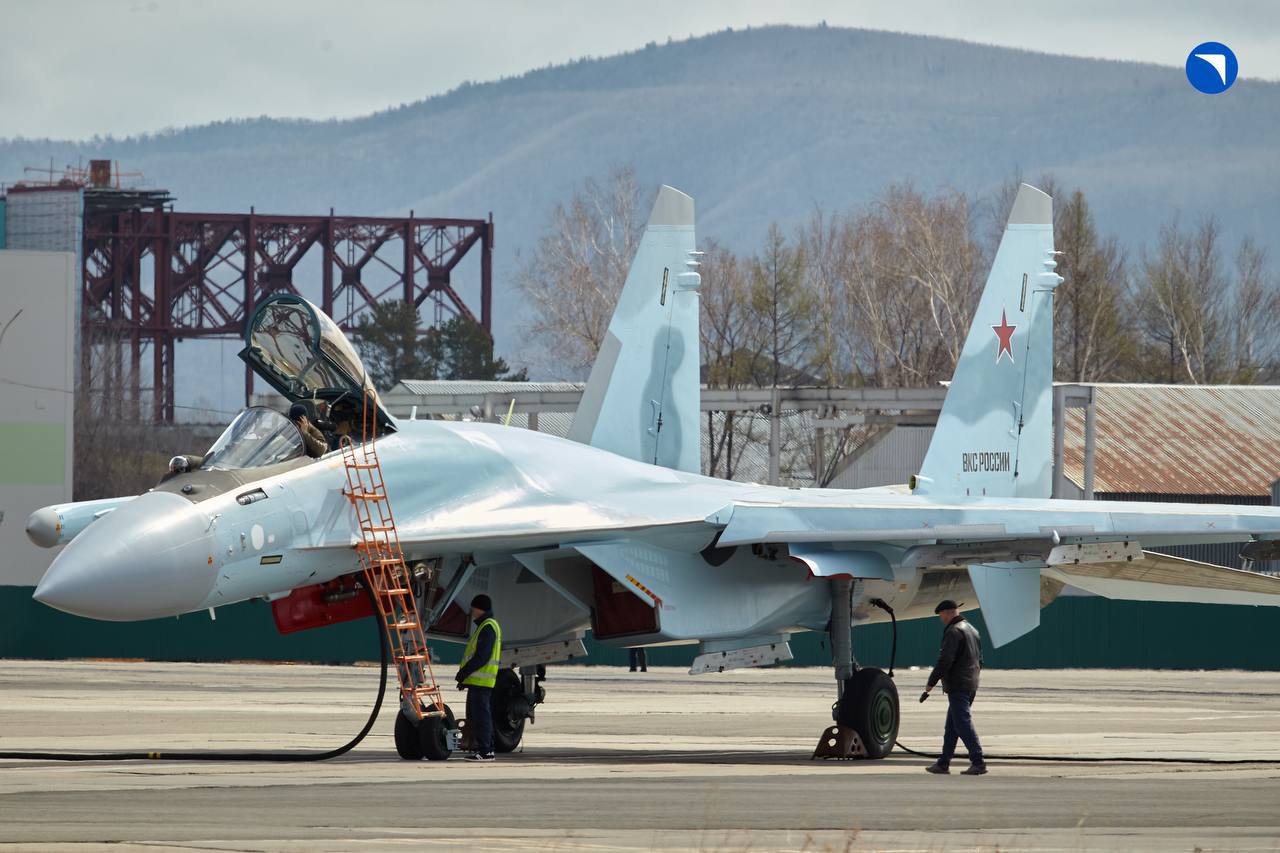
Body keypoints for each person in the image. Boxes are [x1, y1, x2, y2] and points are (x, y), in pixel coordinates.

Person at [923, 599, 987, 776]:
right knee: (952, 726)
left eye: (941, 615)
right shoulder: (972, 629)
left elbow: (946, 660)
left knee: (962, 724)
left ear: (948, 612)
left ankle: (978, 761)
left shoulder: (954, 631)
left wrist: (931, 682)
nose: (941, 618)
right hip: (970, 683)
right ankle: (943, 763)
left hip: (959, 685)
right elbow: (980, 660)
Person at [456, 593, 502, 762]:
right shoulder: (486, 625)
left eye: (474, 608)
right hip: (479, 681)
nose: (472, 612)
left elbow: (482, 657)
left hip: (482, 682)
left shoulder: (487, 627)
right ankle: (487, 749)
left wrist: (464, 673)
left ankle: (485, 751)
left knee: (482, 716)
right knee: (482, 716)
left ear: (480, 609)